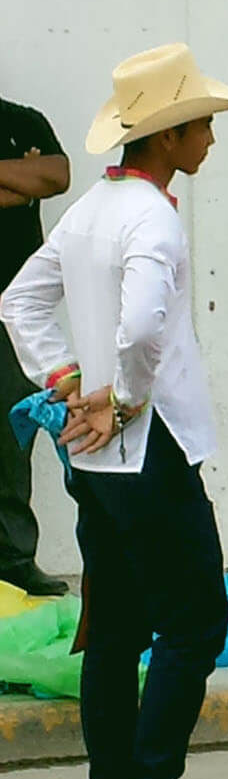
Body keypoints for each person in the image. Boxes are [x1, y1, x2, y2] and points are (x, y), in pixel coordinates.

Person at [2, 43, 228, 779]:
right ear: (169, 138)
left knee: (112, 631)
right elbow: (142, 322)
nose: (210, 138)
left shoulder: (93, 210)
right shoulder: (151, 215)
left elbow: (19, 302)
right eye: (202, 125)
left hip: (93, 457)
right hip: (151, 448)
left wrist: (65, 379)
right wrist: (122, 395)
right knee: (194, 620)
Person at [0, 92, 71, 597]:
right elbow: (31, 183)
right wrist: (14, 182)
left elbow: (55, 177)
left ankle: (13, 561)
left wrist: (32, 183)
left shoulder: (22, 119)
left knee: (11, 436)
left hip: (12, 309)